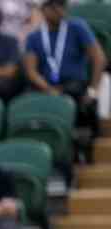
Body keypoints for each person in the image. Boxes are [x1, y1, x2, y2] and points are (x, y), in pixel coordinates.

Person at [24, 0, 105, 143]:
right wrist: (48, 88)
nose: (59, 9)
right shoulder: (34, 37)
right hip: (45, 85)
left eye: (62, 5)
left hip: (74, 84)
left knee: (74, 94)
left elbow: (99, 58)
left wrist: (93, 89)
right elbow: (31, 71)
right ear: (43, 9)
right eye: (54, 5)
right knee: (27, 99)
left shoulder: (77, 27)